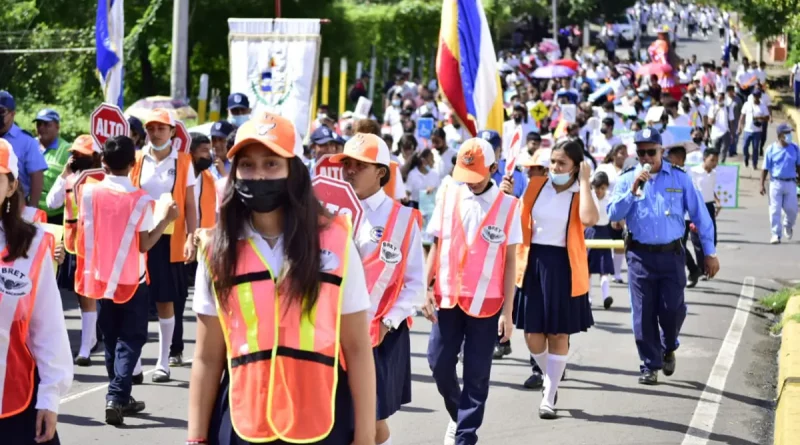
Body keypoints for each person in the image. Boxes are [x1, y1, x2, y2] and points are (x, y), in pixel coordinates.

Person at [187, 112, 377, 445]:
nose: (258, 175)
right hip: (242, 422)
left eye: (271, 164)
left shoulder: (335, 242)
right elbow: (206, 356)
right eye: (247, 165)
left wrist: (365, 437)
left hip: (324, 420)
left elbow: (359, 349)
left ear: (294, 171)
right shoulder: (216, 250)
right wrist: (195, 439)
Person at [421, 138, 521, 445]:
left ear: (493, 169)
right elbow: (437, 243)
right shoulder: (450, 193)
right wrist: (425, 287)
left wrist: (508, 313)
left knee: (477, 375)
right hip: (448, 296)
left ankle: (465, 436)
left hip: (487, 303)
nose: (471, 183)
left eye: (477, 176)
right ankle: (458, 414)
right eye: (466, 176)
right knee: (438, 362)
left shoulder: (509, 206)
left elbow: (510, 262)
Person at [76, 135, 177, 425]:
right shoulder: (140, 200)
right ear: (133, 165)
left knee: (111, 337)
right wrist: (166, 220)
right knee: (131, 338)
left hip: (99, 276)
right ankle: (117, 395)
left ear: (103, 162)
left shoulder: (89, 193)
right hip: (132, 279)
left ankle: (122, 396)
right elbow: (145, 244)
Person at [332, 132, 425, 445]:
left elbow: (416, 285)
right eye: (347, 163)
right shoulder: (329, 212)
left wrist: (388, 321)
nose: (350, 170)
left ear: (381, 172)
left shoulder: (404, 219)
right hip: (329, 330)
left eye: (360, 164)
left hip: (379, 334)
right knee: (344, 419)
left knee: (370, 422)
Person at [608, 128, 720, 385]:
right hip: (639, 256)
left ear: (661, 151)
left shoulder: (680, 178)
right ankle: (650, 364)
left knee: (672, 311)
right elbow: (613, 214)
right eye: (642, 152)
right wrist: (633, 189)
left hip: (671, 256)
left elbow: (701, 217)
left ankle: (669, 345)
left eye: (652, 151)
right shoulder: (628, 179)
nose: (647, 157)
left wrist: (710, 253)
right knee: (643, 313)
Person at [515, 139, 598, 419]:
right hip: (533, 263)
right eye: (553, 161)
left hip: (564, 266)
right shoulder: (537, 185)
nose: (555, 167)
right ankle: (551, 372)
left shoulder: (579, 192)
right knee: (532, 335)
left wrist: (585, 182)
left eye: (562, 163)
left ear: (576, 167)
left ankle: (549, 395)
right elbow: (517, 219)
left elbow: (589, 219)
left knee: (558, 333)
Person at [0, 138, 71, 444]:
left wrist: (50, 397)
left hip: (13, 403)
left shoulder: (31, 245)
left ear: (11, 187)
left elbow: (48, 327)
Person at [130, 108, 198, 382]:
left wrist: (193, 236)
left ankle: (163, 361)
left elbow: (191, 205)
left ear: (172, 131)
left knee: (165, 300)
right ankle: (133, 363)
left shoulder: (183, 161)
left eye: (161, 128)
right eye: (151, 128)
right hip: (139, 236)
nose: (155, 132)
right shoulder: (136, 159)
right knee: (134, 299)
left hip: (170, 239)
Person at [45, 134, 104, 366]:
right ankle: (88, 342)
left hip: (94, 245)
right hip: (72, 244)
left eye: (80, 154)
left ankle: (86, 348)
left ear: (94, 157)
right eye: (73, 153)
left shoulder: (101, 180)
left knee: (90, 295)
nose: (75, 157)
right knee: (81, 296)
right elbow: (52, 203)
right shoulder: (69, 178)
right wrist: (63, 176)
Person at [0, 91, 49, 205]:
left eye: (1, 112)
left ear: (12, 114)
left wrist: (32, 207)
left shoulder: (26, 141)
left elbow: (36, 175)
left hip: (16, 206)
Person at [665, 145, 703, 288]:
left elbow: (695, 196)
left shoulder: (688, 174)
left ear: (680, 158)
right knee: (677, 245)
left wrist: (695, 218)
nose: (668, 159)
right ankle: (691, 270)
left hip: (685, 216)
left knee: (678, 244)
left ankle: (691, 270)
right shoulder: (670, 172)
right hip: (672, 215)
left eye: (671, 157)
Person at [760, 123, 800, 244]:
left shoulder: (795, 148)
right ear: (780, 135)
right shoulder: (771, 149)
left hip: (791, 183)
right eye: (787, 133)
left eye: (790, 133)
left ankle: (788, 225)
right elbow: (765, 168)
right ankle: (776, 234)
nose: (789, 135)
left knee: (792, 209)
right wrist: (761, 184)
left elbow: (798, 166)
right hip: (775, 183)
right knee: (774, 210)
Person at [33, 109, 71, 225]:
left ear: (57, 127)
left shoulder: (67, 150)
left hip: (57, 215)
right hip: (32, 211)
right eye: (39, 124)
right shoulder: (30, 145)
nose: (41, 128)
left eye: (47, 124)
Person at [585, 171, 614, 309]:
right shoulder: (589, 198)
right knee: (587, 269)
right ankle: (588, 297)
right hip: (590, 232)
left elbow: (615, 216)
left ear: (606, 188)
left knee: (604, 269)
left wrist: (621, 224)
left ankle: (606, 296)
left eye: (602, 188)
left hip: (604, 233)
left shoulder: (610, 199)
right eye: (597, 188)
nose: (599, 191)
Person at [689, 149, 720, 268]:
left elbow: (711, 189)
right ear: (704, 159)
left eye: (716, 161)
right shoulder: (694, 172)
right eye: (712, 160)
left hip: (709, 206)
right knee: (697, 239)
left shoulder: (713, 174)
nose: (714, 163)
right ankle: (702, 267)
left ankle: (708, 261)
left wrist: (717, 201)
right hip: (697, 207)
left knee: (712, 236)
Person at [484, 130, 527, 198]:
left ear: (500, 150)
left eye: (490, 150)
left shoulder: (517, 175)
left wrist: (510, 198)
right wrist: (497, 195)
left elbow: (525, 206)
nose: (485, 155)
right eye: (481, 151)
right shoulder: (468, 173)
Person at [188, 134, 218, 231]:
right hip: (179, 236)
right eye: (205, 151)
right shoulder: (178, 178)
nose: (209, 155)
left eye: (209, 150)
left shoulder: (211, 178)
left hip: (203, 238)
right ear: (190, 153)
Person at [738, 89, 769, 169]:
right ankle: (746, 158)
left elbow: (767, 117)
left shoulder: (763, 106)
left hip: (757, 131)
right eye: (754, 96)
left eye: (757, 96)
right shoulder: (747, 104)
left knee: (755, 148)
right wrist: (739, 127)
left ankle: (754, 164)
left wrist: (759, 117)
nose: (755, 97)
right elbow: (742, 116)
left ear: (759, 97)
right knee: (745, 146)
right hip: (747, 130)